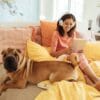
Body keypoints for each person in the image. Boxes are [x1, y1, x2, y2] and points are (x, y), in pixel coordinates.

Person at [50, 13, 100, 90]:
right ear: (61, 23)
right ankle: (96, 79)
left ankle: (92, 85)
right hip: (62, 56)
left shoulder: (73, 33)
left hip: (73, 56)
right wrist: (65, 51)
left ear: (74, 24)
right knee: (77, 57)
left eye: (71, 24)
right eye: (66, 23)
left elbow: (74, 48)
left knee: (79, 58)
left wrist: (79, 50)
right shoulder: (56, 34)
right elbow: (52, 53)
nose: (68, 26)